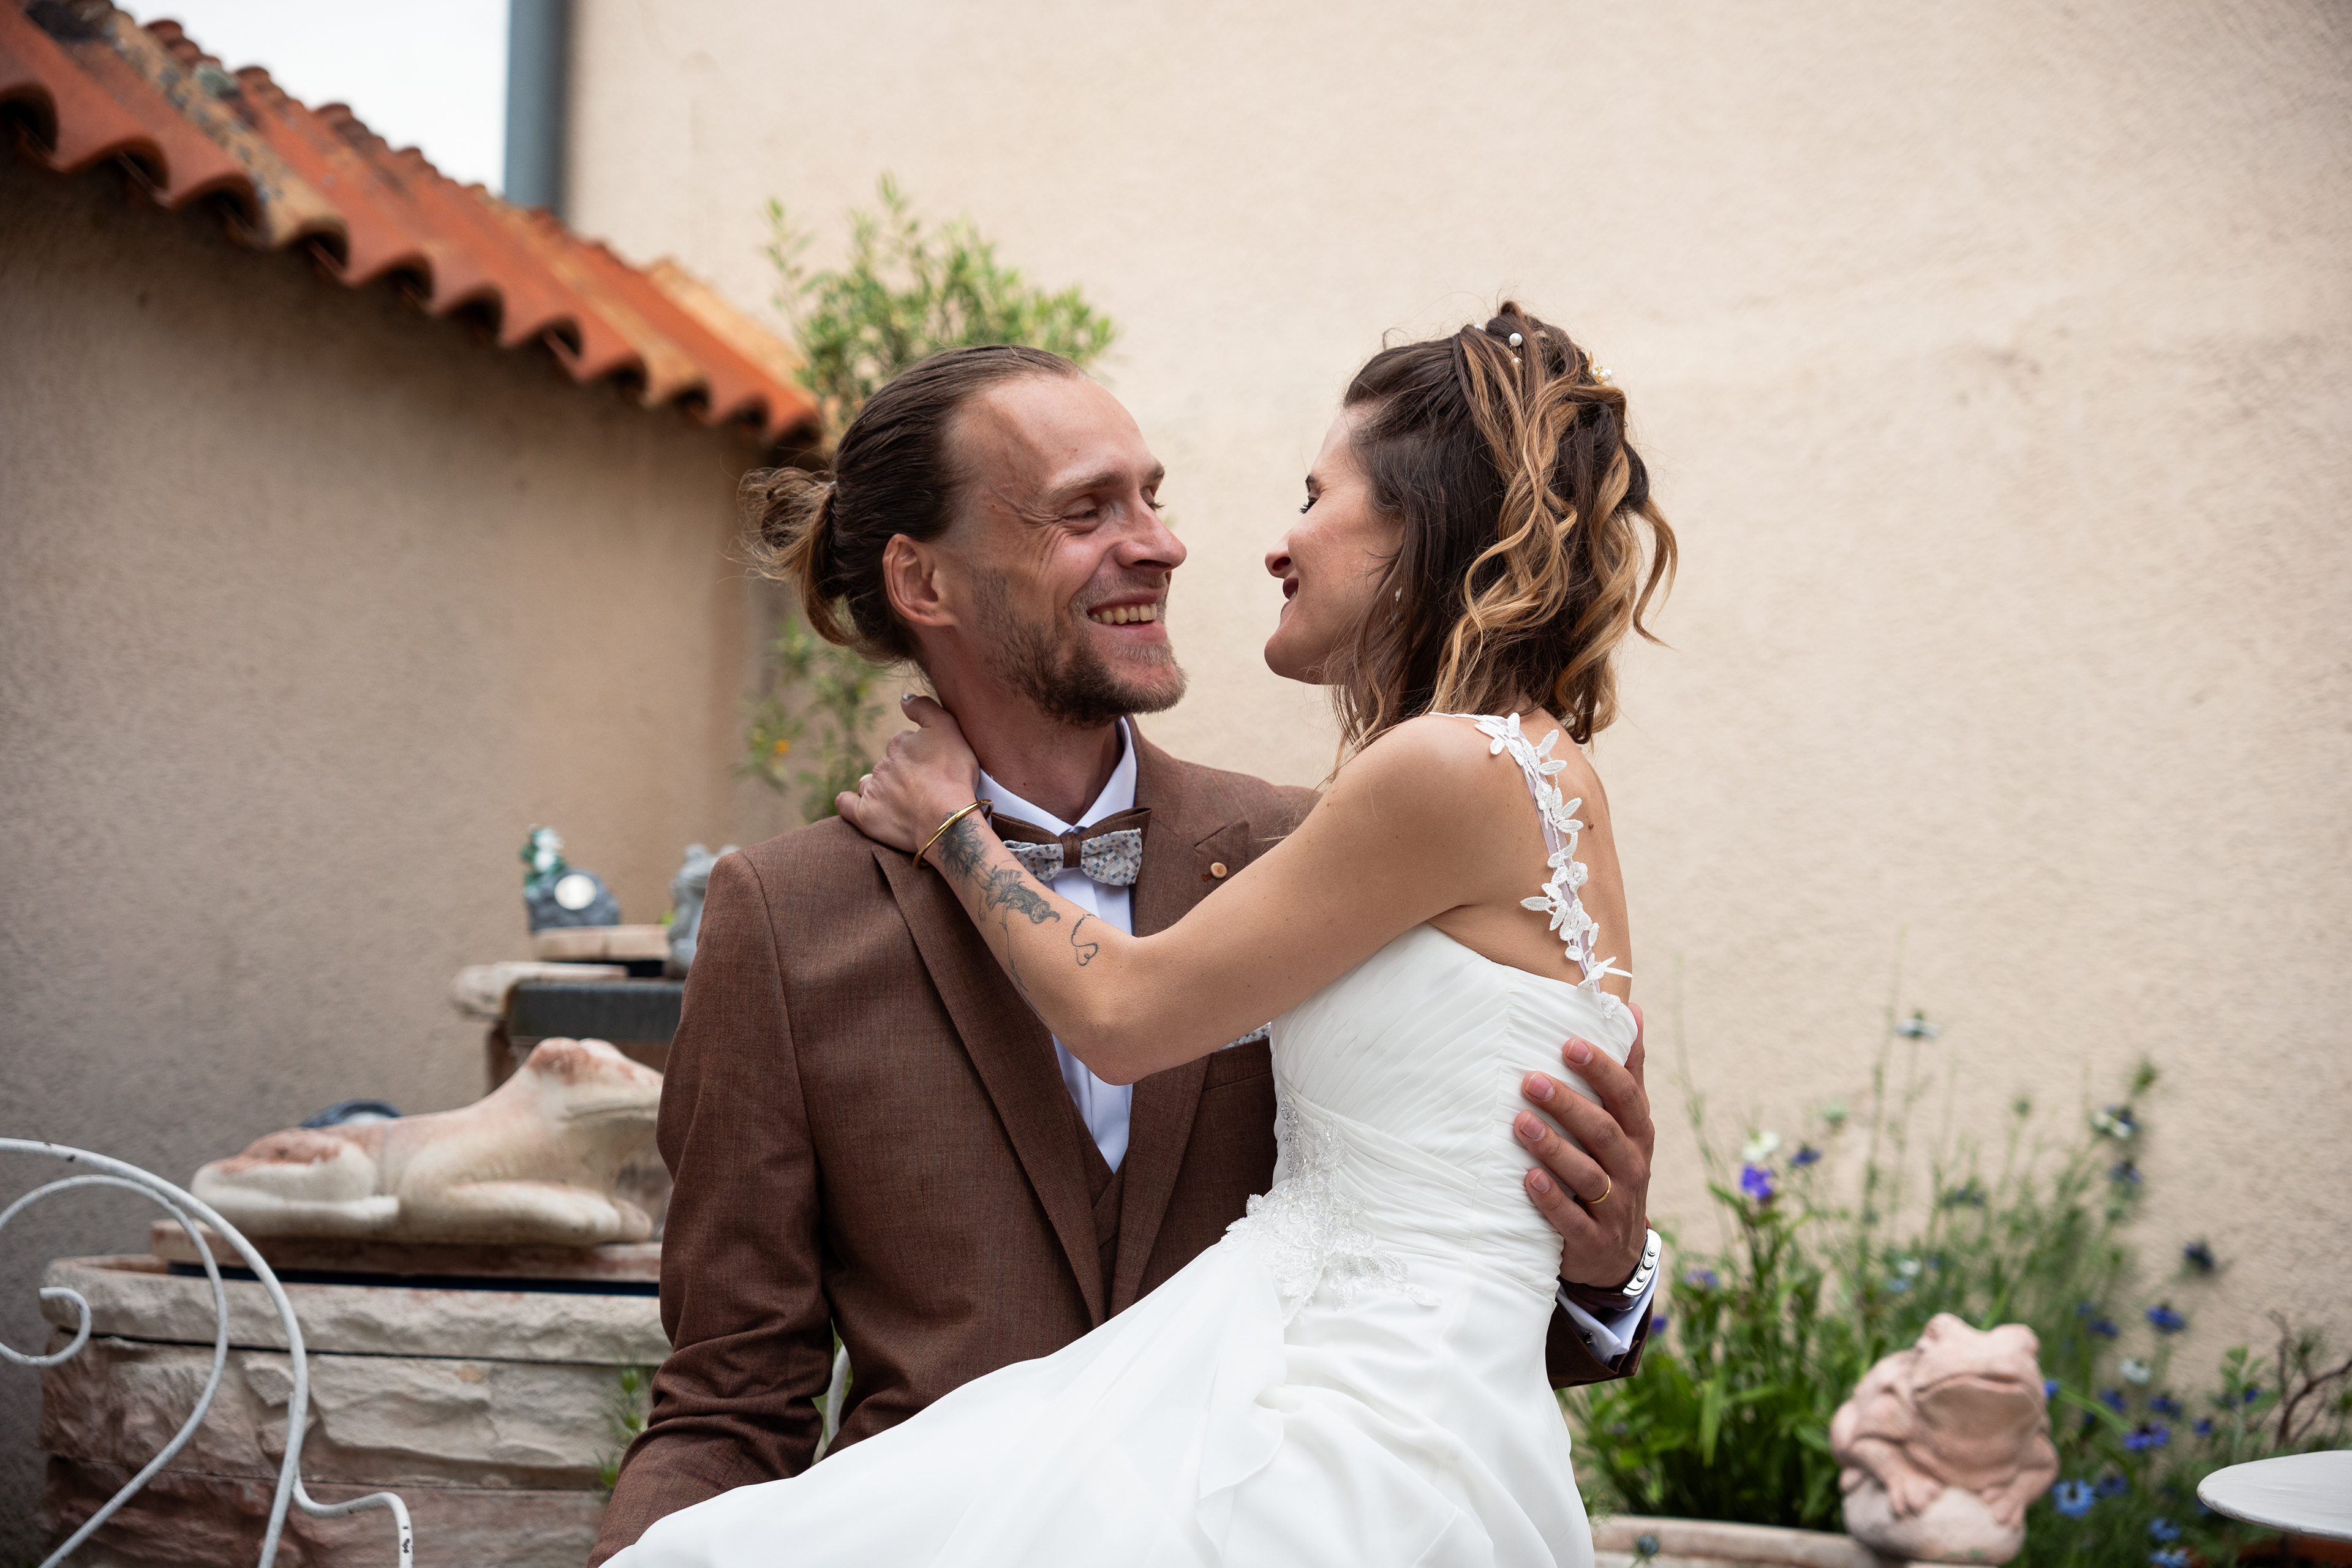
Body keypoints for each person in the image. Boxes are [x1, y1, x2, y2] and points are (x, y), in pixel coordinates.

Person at [607, 304, 1677, 1567]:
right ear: (923, 583)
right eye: (1086, 511)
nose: (1164, 545)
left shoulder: (1315, 848)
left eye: (1152, 499)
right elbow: (730, 1392)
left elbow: (1432, 1277)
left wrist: (1606, 1270)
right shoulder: (787, 920)